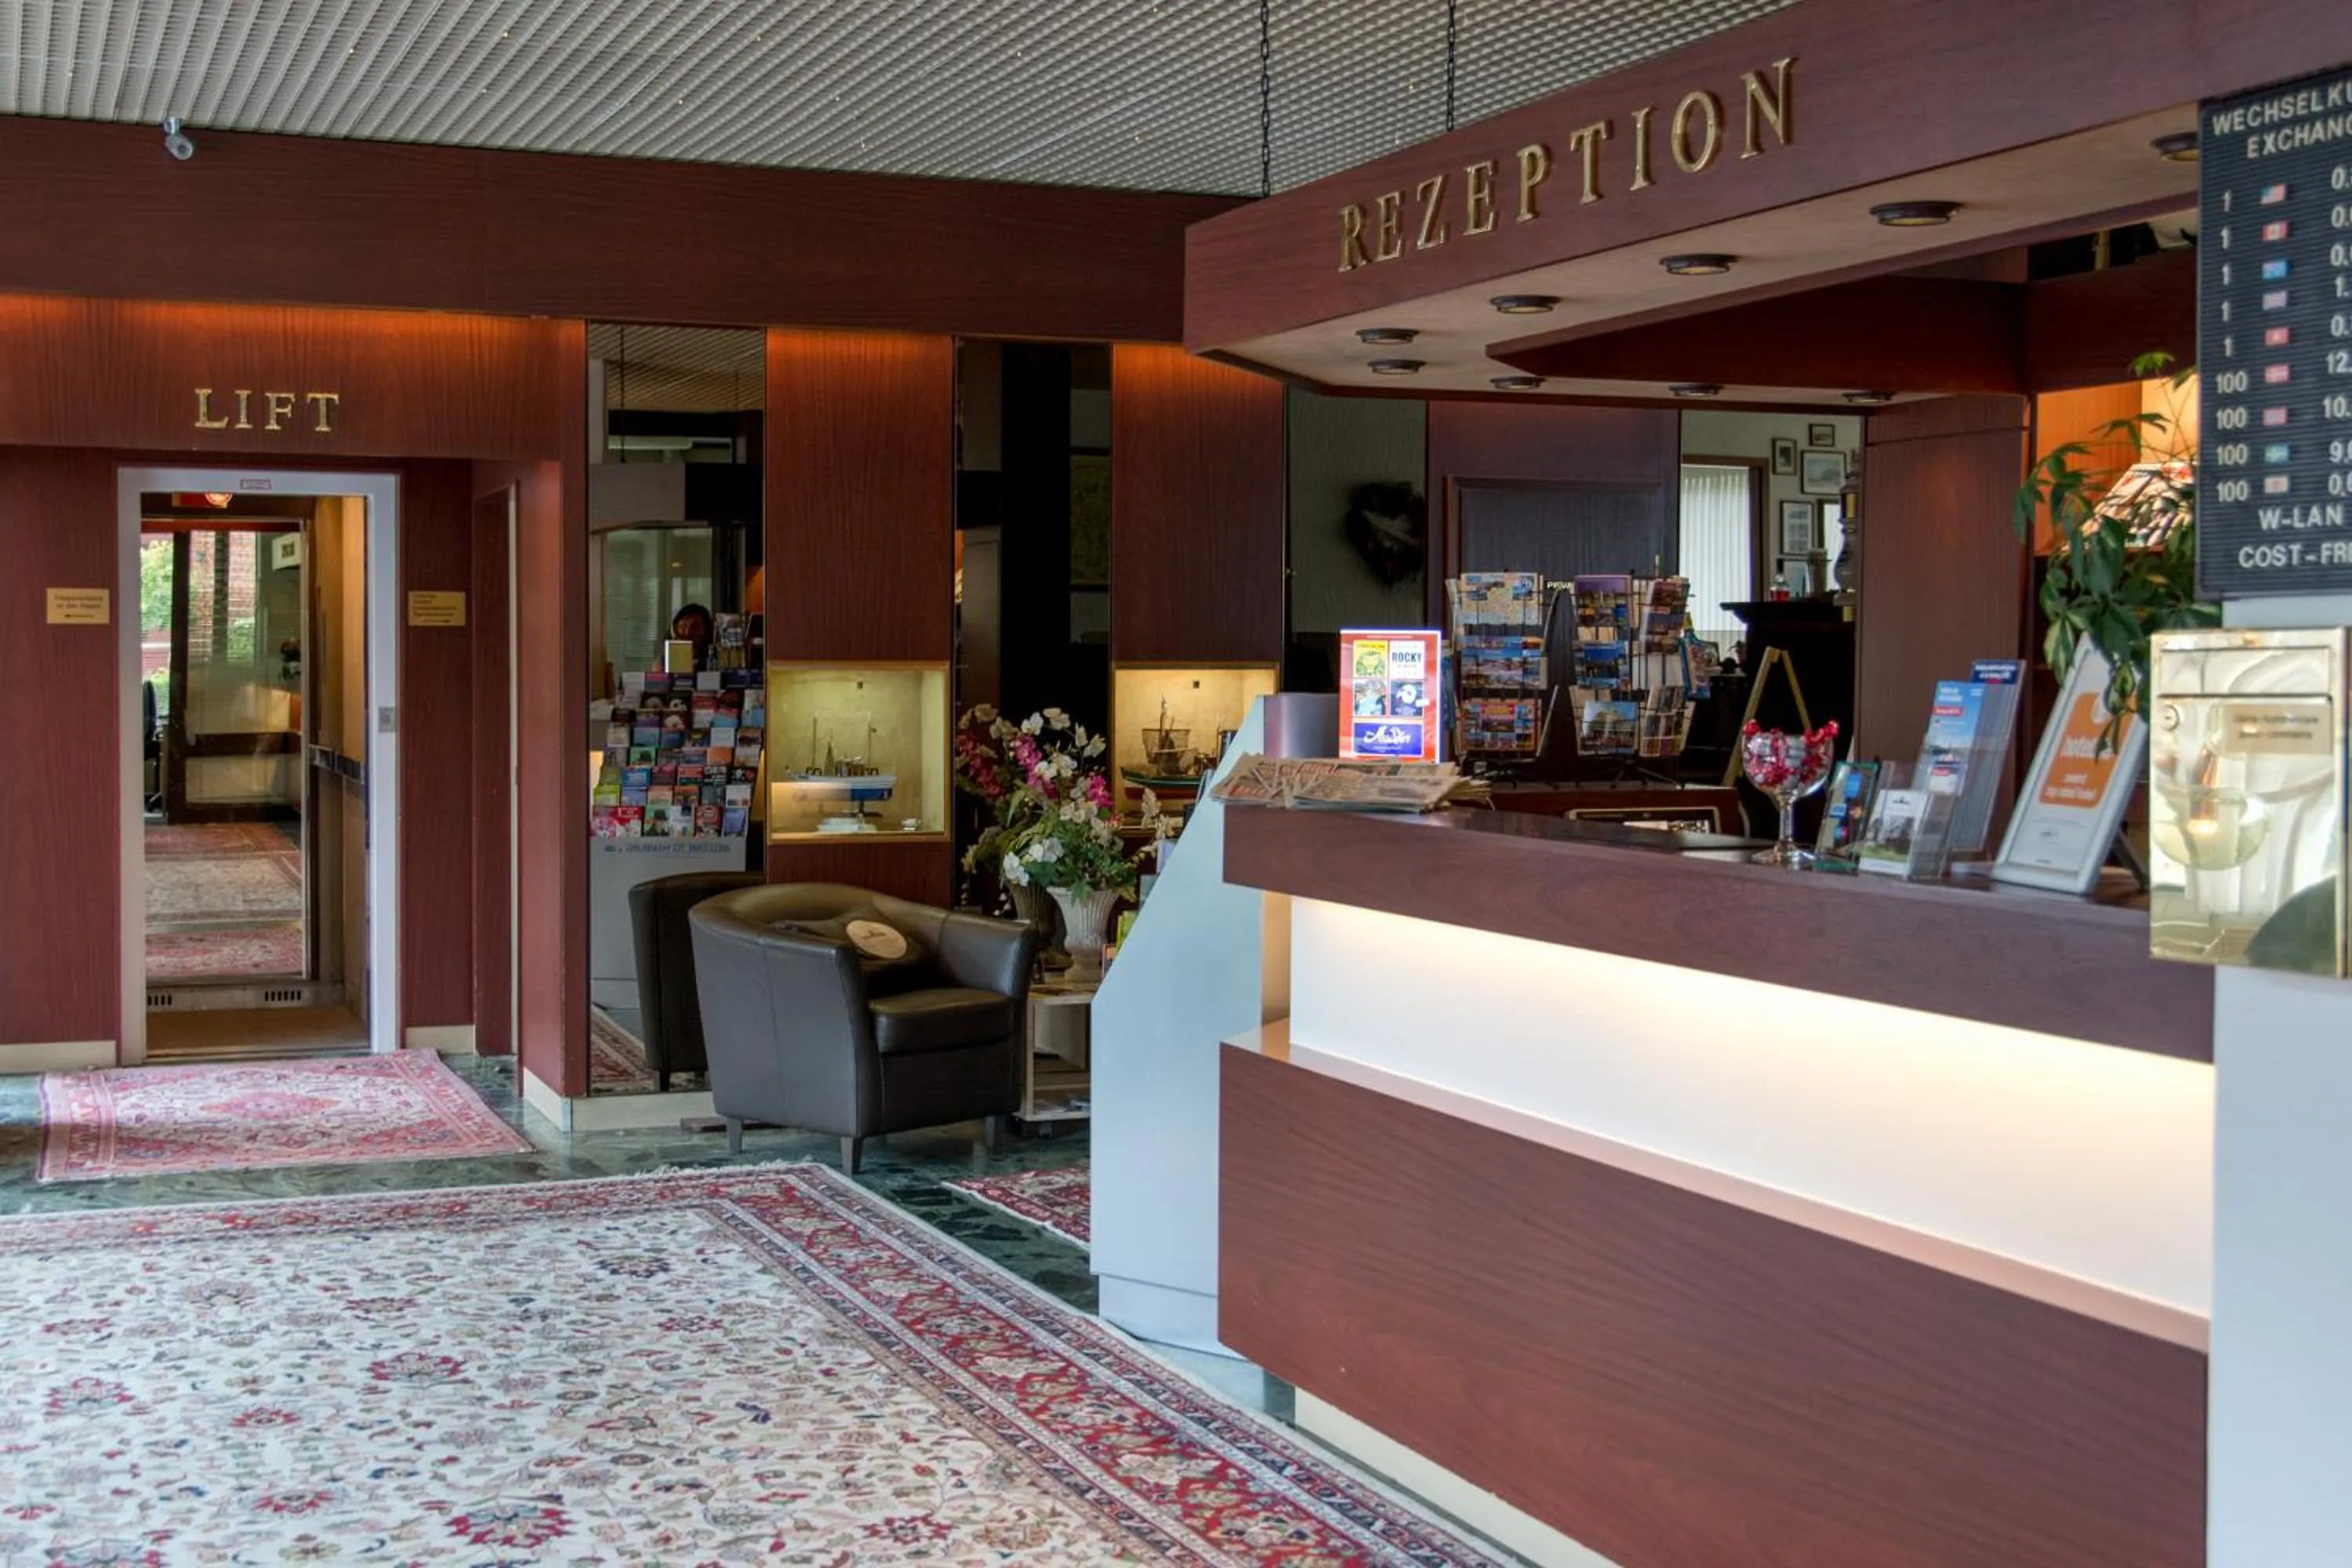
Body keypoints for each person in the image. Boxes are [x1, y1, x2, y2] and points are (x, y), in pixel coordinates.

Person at [670, 602, 714, 670]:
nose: (688, 632)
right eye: (683, 627)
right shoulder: (666, 660)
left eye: (695, 627)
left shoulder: (712, 660)